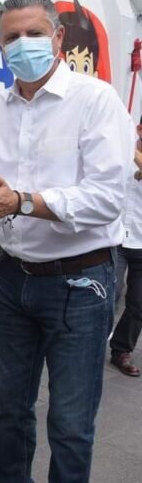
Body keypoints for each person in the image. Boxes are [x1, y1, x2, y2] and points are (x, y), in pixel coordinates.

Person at [0, 0, 134, 483]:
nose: (23, 44)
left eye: (34, 33)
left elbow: (105, 200)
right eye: (11, 37)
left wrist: (21, 201)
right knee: (10, 414)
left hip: (81, 283)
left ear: (57, 37)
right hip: (14, 281)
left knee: (71, 425)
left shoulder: (95, 100)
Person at [109, 117, 142, 377]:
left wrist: (130, 151)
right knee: (110, 293)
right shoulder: (119, 152)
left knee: (139, 304)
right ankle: (89, 344)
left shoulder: (126, 150)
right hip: (116, 238)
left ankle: (121, 349)